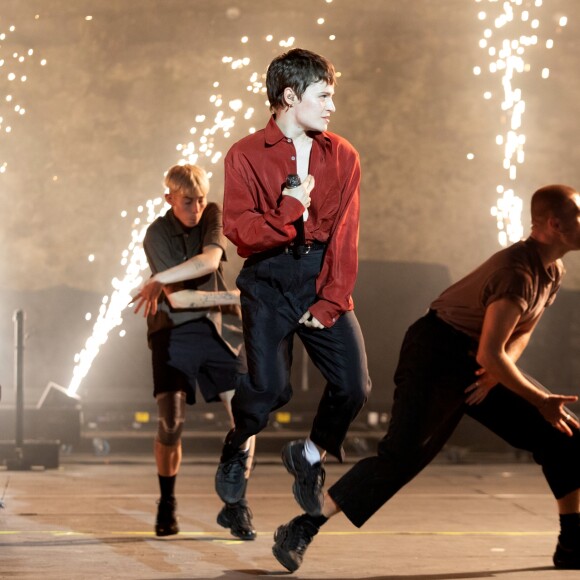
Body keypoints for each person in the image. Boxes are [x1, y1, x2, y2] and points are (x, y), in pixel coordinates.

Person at [272, 184, 580, 572]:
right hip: (436, 352)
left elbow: (517, 334)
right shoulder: (516, 271)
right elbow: (491, 351)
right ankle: (301, 527)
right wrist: (535, 396)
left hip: (477, 358)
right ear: (554, 224)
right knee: (401, 458)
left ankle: (572, 544)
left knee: (564, 438)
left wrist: (493, 375)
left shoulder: (551, 270)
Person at [214, 48, 371, 515]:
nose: (331, 105)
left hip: (321, 274)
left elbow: (346, 234)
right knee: (269, 390)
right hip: (267, 279)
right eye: (323, 95)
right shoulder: (243, 155)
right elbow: (241, 233)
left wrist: (331, 300)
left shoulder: (342, 155)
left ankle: (308, 455)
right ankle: (238, 442)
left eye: (332, 96)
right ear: (289, 95)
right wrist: (290, 210)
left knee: (354, 386)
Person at [133, 163, 256, 541]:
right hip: (174, 331)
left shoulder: (212, 213)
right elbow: (181, 299)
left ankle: (236, 504)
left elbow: (209, 261)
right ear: (169, 198)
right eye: (188, 201)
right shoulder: (156, 234)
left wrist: (158, 278)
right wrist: (234, 296)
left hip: (222, 328)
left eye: (201, 199)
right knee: (170, 423)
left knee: (247, 418)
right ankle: (167, 501)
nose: (197, 207)